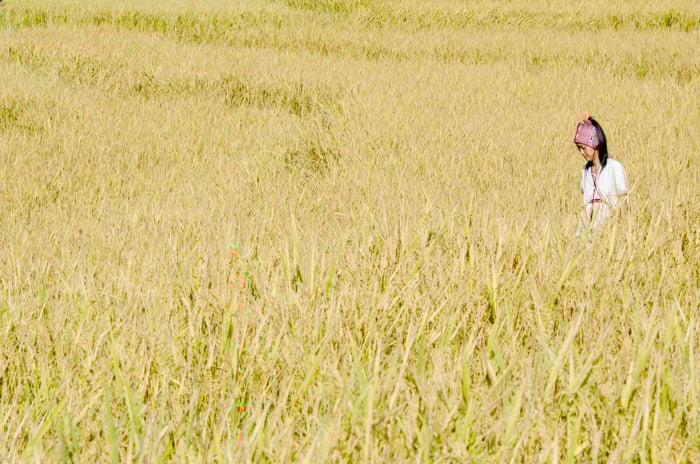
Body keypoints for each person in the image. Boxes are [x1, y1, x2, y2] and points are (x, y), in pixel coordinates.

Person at [574, 114, 628, 232]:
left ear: (595, 144)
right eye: (579, 148)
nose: (581, 152)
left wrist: (619, 229)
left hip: (609, 229)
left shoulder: (615, 167)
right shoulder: (585, 171)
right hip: (585, 229)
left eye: (583, 147)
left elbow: (623, 202)